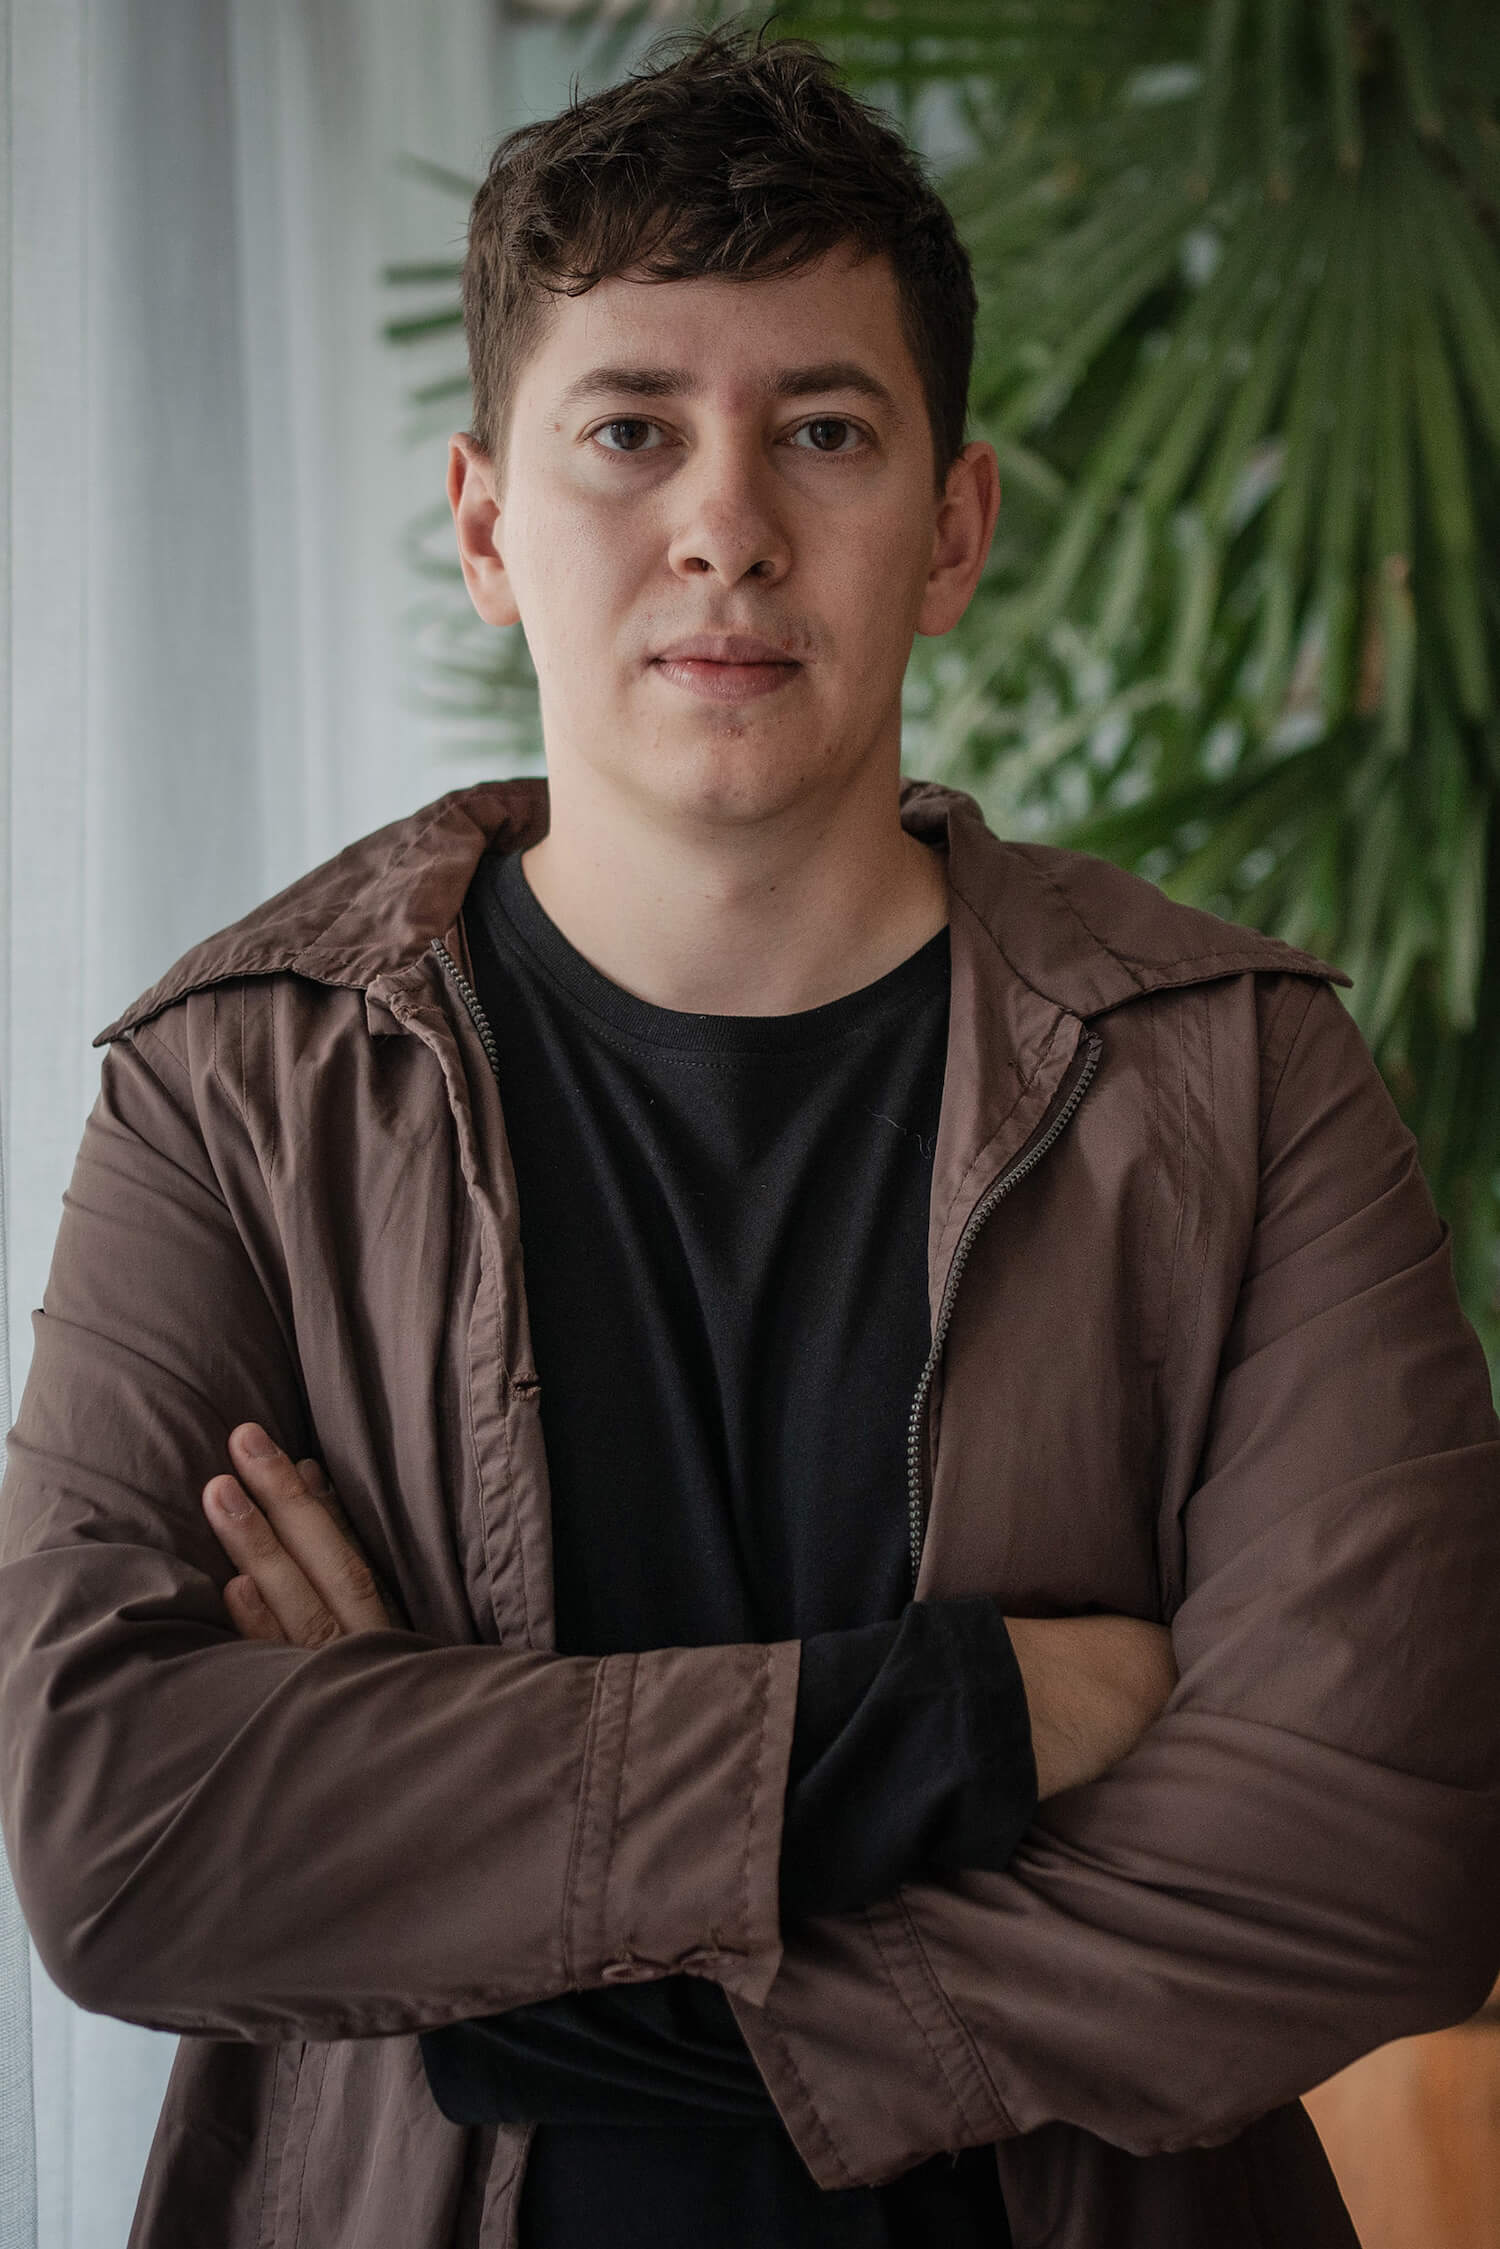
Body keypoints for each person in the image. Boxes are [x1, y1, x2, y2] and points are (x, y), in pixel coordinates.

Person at [2, 24, 1497, 2249]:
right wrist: (962, 1719)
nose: (725, 525)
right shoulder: (234, 1087)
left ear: (953, 530)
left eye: (824, 430)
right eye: (631, 430)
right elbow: (120, 1840)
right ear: (488, 526)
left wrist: (473, 1877)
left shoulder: (1245, 1077)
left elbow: (1382, 1858)